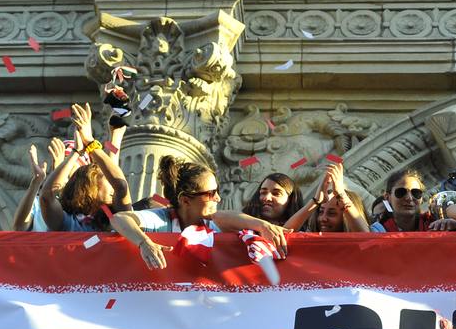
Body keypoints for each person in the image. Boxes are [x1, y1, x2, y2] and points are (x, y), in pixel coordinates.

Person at [111, 155, 288, 269]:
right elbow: (120, 219)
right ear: (185, 200)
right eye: (211, 194)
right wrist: (144, 243)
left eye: (217, 191)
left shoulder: (212, 221)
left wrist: (262, 225)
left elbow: (224, 217)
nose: (218, 198)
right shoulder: (162, 218)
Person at [39, 103, 130, 232]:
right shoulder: (67, 222)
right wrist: (77, 151)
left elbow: (119, 183)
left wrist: (115, 136)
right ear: (89, 185)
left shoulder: (117, 217)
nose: (112, 189)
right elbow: (46, 197)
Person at [284, 163, 370, 232]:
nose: (323, 218)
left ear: (346, 218)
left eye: (332, 213)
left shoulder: (360, 246)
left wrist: (341, 194)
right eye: (321, 212)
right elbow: (284, 233)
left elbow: (365, 236)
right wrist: (315, 201)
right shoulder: (309, 239)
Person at [371, 168, 435, 232]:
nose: (409, 198)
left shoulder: (435, 224)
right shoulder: (376, 233)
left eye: (416, 192)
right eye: (401, 192)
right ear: (388, 197)